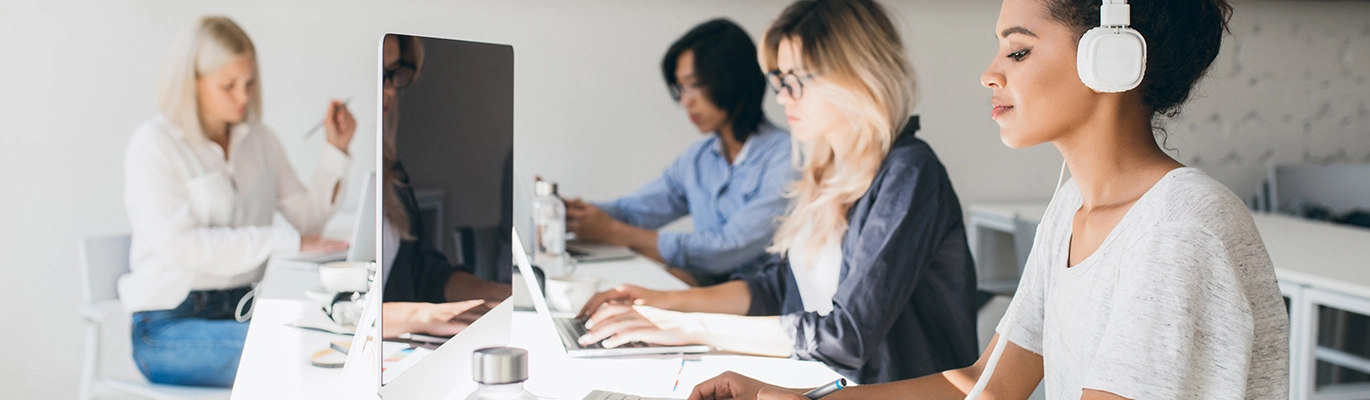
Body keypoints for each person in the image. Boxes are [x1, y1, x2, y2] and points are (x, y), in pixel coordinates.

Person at [688, 0, 1290, 398]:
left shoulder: (1177, 232)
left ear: (1111, 60)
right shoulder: (1072, 210)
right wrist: (799, 398)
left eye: (1019, 50)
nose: (990, 73)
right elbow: (983, 384)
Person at [576, 0, 979, 384]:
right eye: (778, 81)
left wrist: (688, 326)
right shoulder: (825, 171)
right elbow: (777, 289)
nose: (782, 97)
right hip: (826, 381)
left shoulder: (908, 172)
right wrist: (661, 302)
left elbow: (846, 336)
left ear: (856, 74)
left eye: (796, 81)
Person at [120, 16, 355, 387]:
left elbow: (307, 223)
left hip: (246, 310)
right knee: (294, 352)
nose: (244, 97)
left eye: (249, 83)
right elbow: (183, 246)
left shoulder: (260, 140)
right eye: (228, 86)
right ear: (191, 84)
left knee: (343, 342)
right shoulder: (154, 144)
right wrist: (282, 241)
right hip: (169, 325)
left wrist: (336, 149)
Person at [565, 19, 796, 286]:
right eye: (680, 89)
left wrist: (615, 233)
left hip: (761, 304)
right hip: (705, 289)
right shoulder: (697, 160)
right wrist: (569, 212)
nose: (685, 101)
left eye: (694, 85)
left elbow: (724, 249)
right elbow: (633, 211)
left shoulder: (786, 157)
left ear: (732, 80)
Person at [378, 34, 513, 339]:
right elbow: (335, 309)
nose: (388, 88)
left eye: (393, 73)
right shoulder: (325, 189)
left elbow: (427, 273)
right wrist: (421, 314)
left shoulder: (391, 172)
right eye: (378, 75)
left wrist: (496, 293)